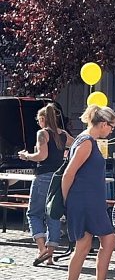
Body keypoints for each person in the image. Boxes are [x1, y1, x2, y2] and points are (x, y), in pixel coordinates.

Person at [60, 105, 115, 280]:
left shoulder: (87, 141)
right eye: (111, 126)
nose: (111, 130)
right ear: (103, 124)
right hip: (83, 201)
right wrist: (67, 202)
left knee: (105, 241)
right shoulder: (86, 142)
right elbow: (68, 174)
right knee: (85, 246)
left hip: (91, 201)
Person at [18, 104, 73, 266]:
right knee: (53, 214)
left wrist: (26, 156)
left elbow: (42, 156)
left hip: (43, 176)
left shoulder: (42, 133)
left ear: (42, 119)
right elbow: (77, 144)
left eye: (39, 120)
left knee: (34, 213)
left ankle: (42, 249)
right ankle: (49, 256)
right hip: (58, 178)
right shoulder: (63, 134)